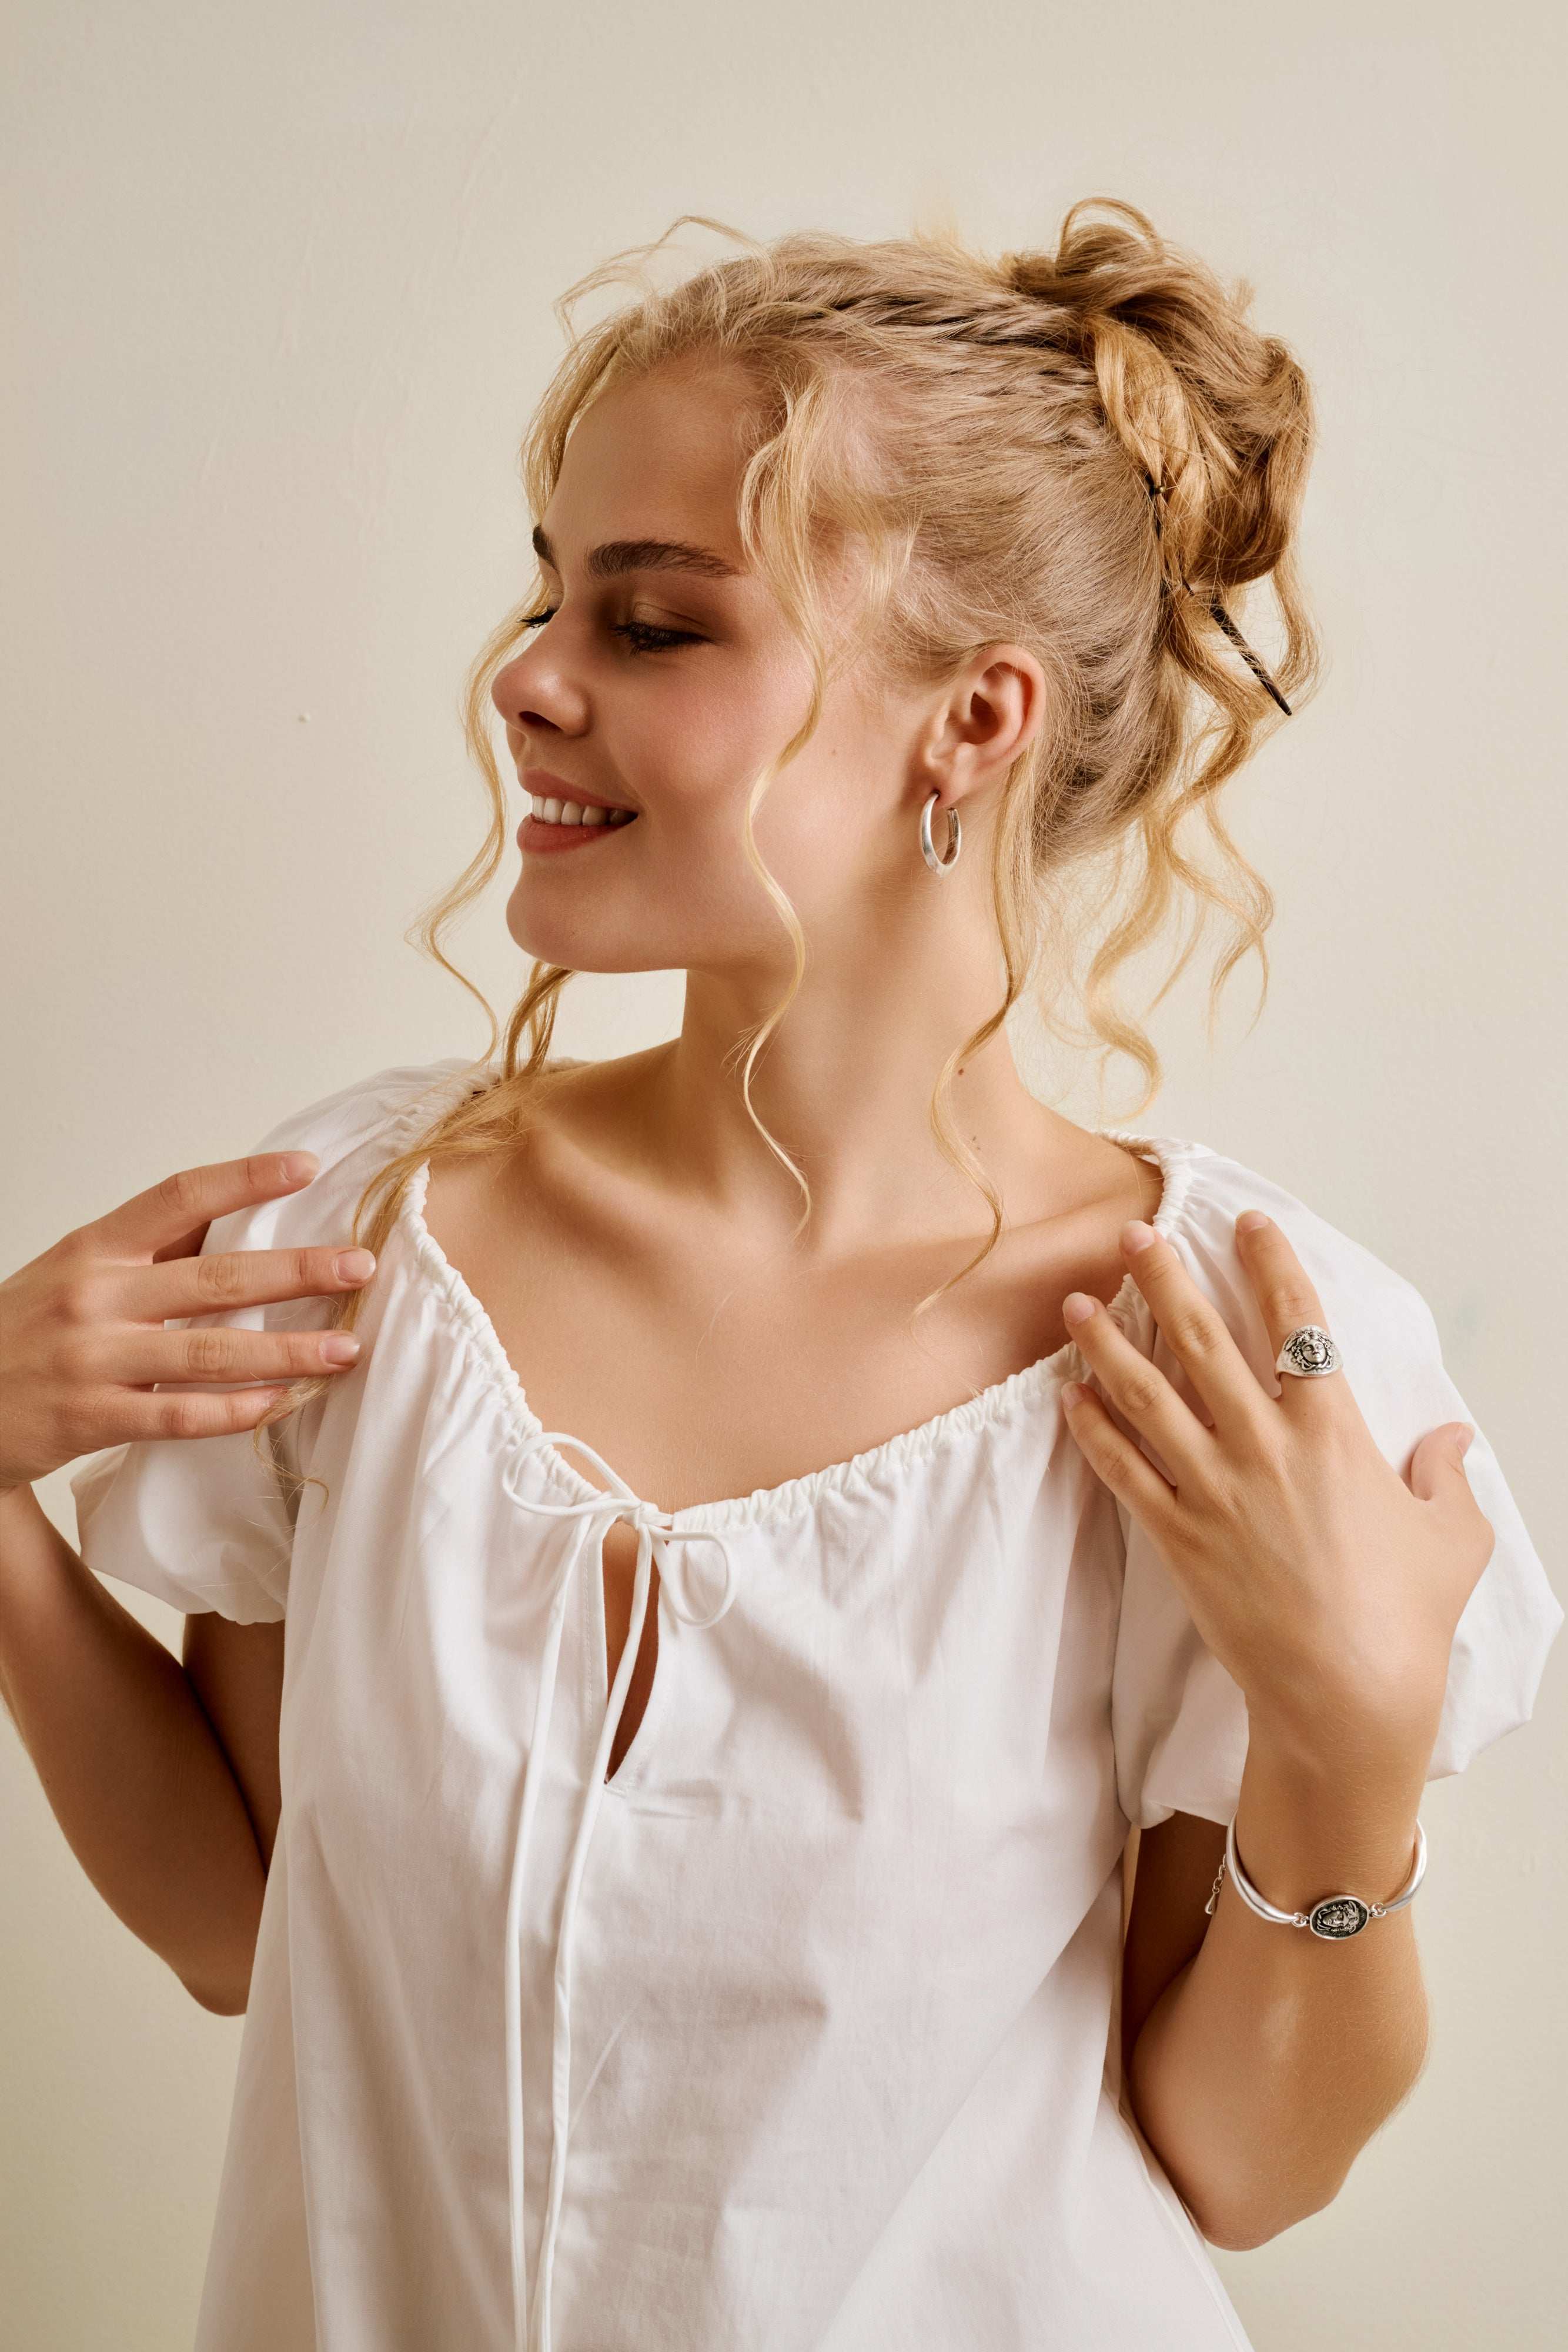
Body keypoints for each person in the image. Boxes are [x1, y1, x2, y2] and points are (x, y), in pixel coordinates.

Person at [1, 197, 1560, 2352]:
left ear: (973, 720)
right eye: (545, 598)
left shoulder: (1231, 1362)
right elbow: (255, 1936)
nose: (525, 680)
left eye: (651, 626)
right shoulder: (354, 1235)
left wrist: (1348, 1736)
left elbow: (1244, 2164)